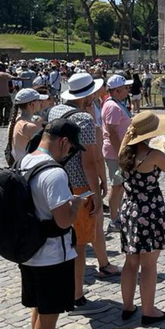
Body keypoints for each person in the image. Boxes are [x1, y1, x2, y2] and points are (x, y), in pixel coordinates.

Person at [19, 118, 86, 329]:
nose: (69, 154)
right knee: (49, 319)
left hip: (30, 251)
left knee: (38, 310)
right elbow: (63, 222)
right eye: (70, 149)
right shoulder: (55, 173)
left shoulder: (26, 160)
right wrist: (76, 205)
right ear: (63, 142)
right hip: (52, 257)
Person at [48, 74, 113, 313]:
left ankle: (63, 288)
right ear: (87, 95)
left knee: (61, 240)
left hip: (55, 182)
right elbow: (89, 162)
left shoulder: (55, 111)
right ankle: (77, 297)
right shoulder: (84, 119)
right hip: (78, 187)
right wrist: (96, 194)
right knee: (79, 243)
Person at [117, 111, 165, 325]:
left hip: (130, 208)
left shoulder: (124, 152)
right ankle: (148, 310)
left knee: (130, 261)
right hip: (150, 209)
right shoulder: (154, 155)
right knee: (149, 264)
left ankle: (127, 306)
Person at [103, 75, 133, 227]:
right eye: (125, 88)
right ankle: (114, 219)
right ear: (116, 90)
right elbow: (112, 132)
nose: (128, 90)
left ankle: (119, 214)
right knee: (116, 186)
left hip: (119, 150)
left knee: (121, 185)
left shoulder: (116, 104)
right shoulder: (113, 107)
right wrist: (122, 153)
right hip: (116, 152)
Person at [7, 88, 48, 165]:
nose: (41, 102)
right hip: (28, 165)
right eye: (39, 100)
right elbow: (47, 145)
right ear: (31, 104)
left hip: (19, 163)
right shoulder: (29, 126)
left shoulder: (16, 120)